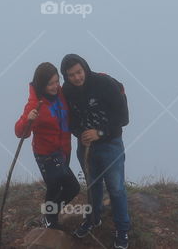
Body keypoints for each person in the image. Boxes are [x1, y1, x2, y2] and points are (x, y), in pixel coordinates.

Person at [61, 53, 131, 249]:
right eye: (71, 75)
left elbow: (123, 117)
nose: (76, 78)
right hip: (86, 147)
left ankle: (122, 230)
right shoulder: (67, 90)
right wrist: (79, 133)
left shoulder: (104, 84)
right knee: (93, 185)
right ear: (66, 76)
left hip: (111, 144)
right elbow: (71, 120)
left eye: (79, 72)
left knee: (116, 188)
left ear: (85, 68)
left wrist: (99, 132)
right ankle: (93, 219)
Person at [14, 62, 80, 229]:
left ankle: (49, 216)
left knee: (59, 187)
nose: (55, 86)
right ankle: (50, 218)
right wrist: (28, 119)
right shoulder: (35, 104)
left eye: (57, 81)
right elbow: (20, 132)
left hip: (64, 150)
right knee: (71, 187)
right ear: (41, 84)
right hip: (46, 154)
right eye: (50, 83)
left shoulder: (61, 94)